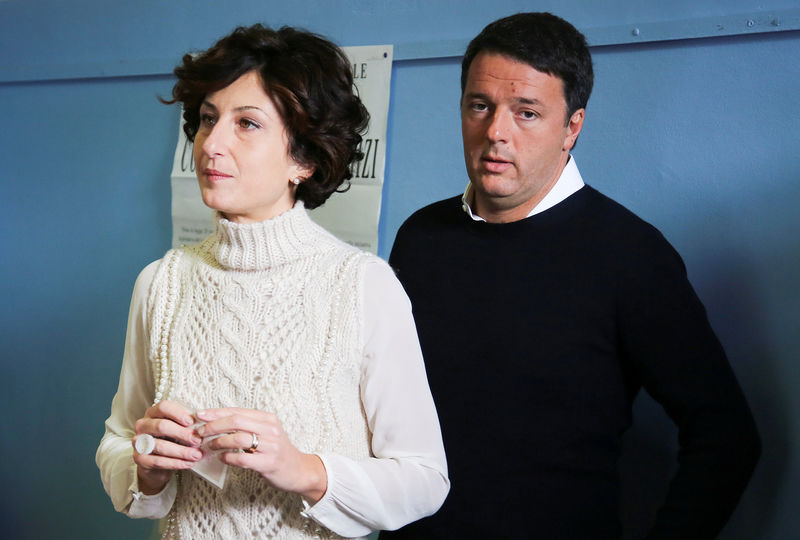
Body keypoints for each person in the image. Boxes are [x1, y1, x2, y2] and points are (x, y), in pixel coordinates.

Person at [382, 12, 760, 540]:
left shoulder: (630, 255)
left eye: (527, 113)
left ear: (572, 127)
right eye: (479, 106)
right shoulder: (421, 236)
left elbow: (727, 436)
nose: (496, 132)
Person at [96, 24, 448, 539]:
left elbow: (423, 479)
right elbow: (117, 440)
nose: (211, 143)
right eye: (208, 119)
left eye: (247, 124)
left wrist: (303, 469)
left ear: (303, 158)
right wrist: (144, 468)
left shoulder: (363, 286)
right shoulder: (161, 283)